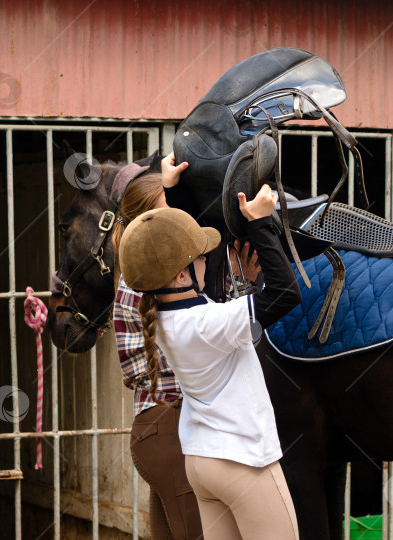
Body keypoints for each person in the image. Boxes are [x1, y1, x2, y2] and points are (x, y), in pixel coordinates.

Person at [118, 184, 302, 540]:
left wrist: (173, 188)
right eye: (200, 257)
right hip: (242, 461)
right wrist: (260, 223)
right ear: (181, 276)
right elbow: (286, 293)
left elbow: (234, 315)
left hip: (202, 463)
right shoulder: (206, 324)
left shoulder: (170, 320)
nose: (207, 259)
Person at [112, 153, 259, 540]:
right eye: (169, 211)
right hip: (168, 427)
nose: (181, 221)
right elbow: (205, 349)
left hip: (161, 430)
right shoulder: (146, 280)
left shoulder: (152, 277)